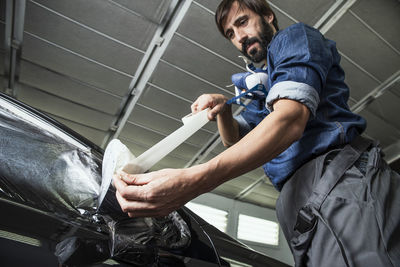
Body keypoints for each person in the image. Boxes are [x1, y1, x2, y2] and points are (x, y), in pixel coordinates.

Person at [114, 0, 400, 266]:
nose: (238, 36)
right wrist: (224, 110)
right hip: (303, 201)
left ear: (267, 15)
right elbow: (235, 140)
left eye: (242, 22)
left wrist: (195, 180)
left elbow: (289, 120)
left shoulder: (294, 38)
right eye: (230, 33)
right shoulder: (266, 89)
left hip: (337, 179)